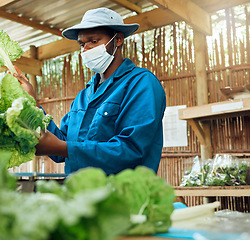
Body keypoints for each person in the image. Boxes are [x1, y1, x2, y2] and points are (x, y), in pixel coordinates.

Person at [14, 7, 166, 175]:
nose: (86, 50)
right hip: (79, 196)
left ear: (118, 40)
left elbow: (132, 150)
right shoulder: (83, 97)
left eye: (94, 41)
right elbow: (60, 144)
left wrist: (63, 147)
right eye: (82, 44)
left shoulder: (141, 83)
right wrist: (31, 102)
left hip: (122, 196)